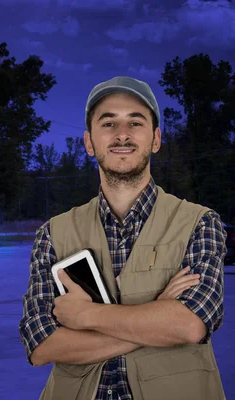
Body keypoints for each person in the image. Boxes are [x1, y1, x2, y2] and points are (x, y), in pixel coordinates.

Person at [18, 76, 228, 399]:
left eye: (135, 122)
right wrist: (158, 313)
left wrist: (85, 316)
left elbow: (189, 325)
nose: (122, 135)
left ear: (156, 139)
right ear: (88, 142)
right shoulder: (53, 235)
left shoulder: (200, 225)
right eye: (108, 123)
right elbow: (42, 345)